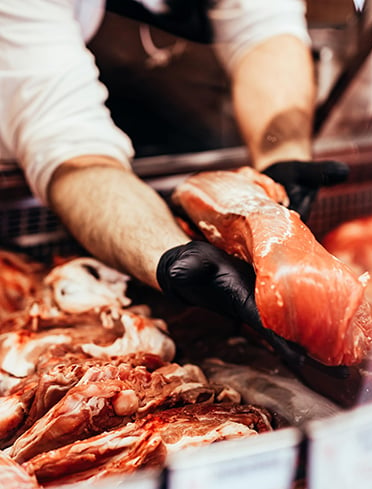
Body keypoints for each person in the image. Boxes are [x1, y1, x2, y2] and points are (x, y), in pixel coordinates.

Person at [0, 0, 348, 338]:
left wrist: (281, 153)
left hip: (182, 149)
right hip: (72, 186)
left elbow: (264, 30)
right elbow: (70, 148)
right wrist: (167, 254)